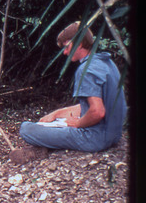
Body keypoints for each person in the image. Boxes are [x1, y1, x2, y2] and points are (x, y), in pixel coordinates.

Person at [19, 21, 127, 152]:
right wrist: (56, 114)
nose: (64, 53)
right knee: (58, 121)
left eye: (66, 47)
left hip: (95, 139)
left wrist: (77, 123)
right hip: (113, 136)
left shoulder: (86, 69)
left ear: (79, 44)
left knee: (26, 129)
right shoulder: (106, 62)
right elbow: (90, 105)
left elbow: (98, 112)